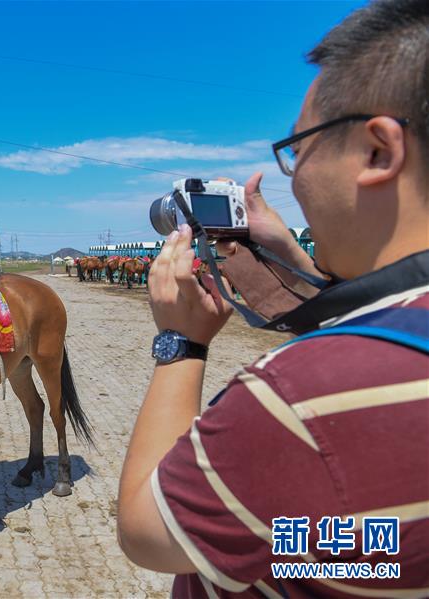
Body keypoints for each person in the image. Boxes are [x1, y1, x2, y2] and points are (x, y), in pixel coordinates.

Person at [116, 1, 428, 597]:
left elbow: (144, 530)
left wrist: (180, 341)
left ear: (378, 151)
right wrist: (300, 267)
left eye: (300, 147)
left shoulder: (302, 398)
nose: (293, 176)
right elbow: (379, 547)